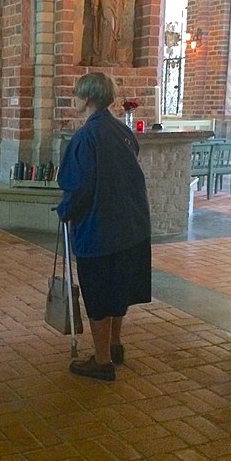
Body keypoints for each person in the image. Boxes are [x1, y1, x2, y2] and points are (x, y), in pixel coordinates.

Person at [56, 72, 151, 381]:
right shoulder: (122, 130)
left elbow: (80, 185)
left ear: (88, 98)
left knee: (98, 294)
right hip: (132, 226)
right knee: (118, 290)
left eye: (77, 94)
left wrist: (65, 211)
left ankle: (102, 361)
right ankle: (115, 344)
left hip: (100, 229)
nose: (74, 98)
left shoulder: (86, 136)